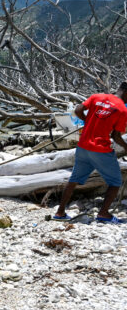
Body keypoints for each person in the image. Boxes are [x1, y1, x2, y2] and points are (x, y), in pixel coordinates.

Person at [54, 82, 127, 223]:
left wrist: (88, 121)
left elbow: (78, 110)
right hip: (100, 149)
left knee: (73, 180)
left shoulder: (96, 97)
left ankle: (60, 212)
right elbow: (116, 136)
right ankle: (104, 214)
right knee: (115, 181)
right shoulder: (122, 110)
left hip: (83, 147)